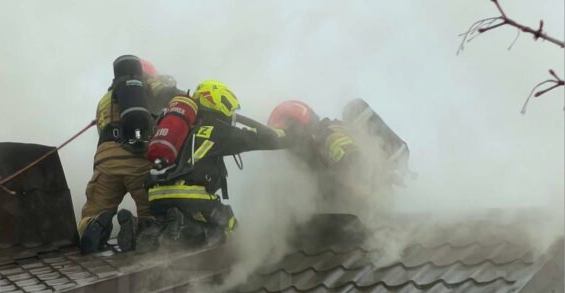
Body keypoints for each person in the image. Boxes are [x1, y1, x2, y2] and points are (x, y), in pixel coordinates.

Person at [138, 79, 287, 251]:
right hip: (189, 195)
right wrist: (288, 137)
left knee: (178, 223)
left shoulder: (183, 128)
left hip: (155, 195)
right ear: (219, 102)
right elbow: (253, 138)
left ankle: (153, 228)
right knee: (227, 224)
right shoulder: (214, 128)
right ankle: (187, 229)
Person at [78, 55, 179, 254]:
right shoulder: (146, 91)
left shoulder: (104, 100)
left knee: (93, 211)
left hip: (105, 160)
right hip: (138, 158)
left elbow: (101, 128)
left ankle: (95, 225)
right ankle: (140, 228)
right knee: (151, 210)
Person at [268, 98, 409, 215]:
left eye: (290, 136)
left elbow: (356, 164)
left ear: (298, 126)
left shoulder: (329, 135)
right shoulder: (317, 147)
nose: (292, 149)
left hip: (365, 210)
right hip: (357, 211)